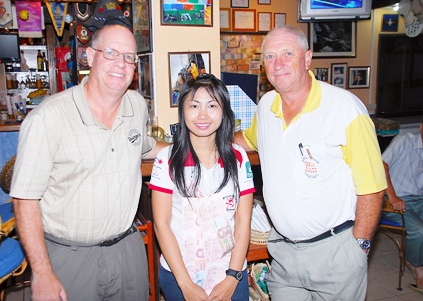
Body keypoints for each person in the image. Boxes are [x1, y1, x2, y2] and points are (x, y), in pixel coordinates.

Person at [10, 24, 167, 301]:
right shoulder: (48, 118)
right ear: (90, 57)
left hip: (127, 249)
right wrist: (43, 272)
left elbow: (144, 146)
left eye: (129, 56)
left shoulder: (136, 105)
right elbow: (24, 199)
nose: (121, 63)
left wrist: (192, 147)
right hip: (69, 256)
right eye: (111, 53)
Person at [235, 25, 387, 300]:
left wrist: (359, 247)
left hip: (335, 254)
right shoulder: (267, 105)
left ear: (307, 59)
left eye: (287, 54)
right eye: (270, 57)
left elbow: (373, 187)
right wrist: (198, 140)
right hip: (283, 254)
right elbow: (246, 140)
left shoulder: (345, 108)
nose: (277, 64)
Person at [149, 74, 255, 301]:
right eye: (194, 106)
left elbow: (243, 221)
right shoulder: (167, 159)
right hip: (180, 275)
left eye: (212, 105)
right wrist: (185, 284)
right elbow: (161, 224)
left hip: (230, 273)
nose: (203, 115)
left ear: (224, 111)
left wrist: (232, 277)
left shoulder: (238, 157)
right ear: (183, 111)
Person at [382, 123, 423, 295]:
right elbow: (381, 165)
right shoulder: (405, 141)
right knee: (420, 231)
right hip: (395, 199)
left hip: (419, 199)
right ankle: (416, 266)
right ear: (421, 127)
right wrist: (392, 197)